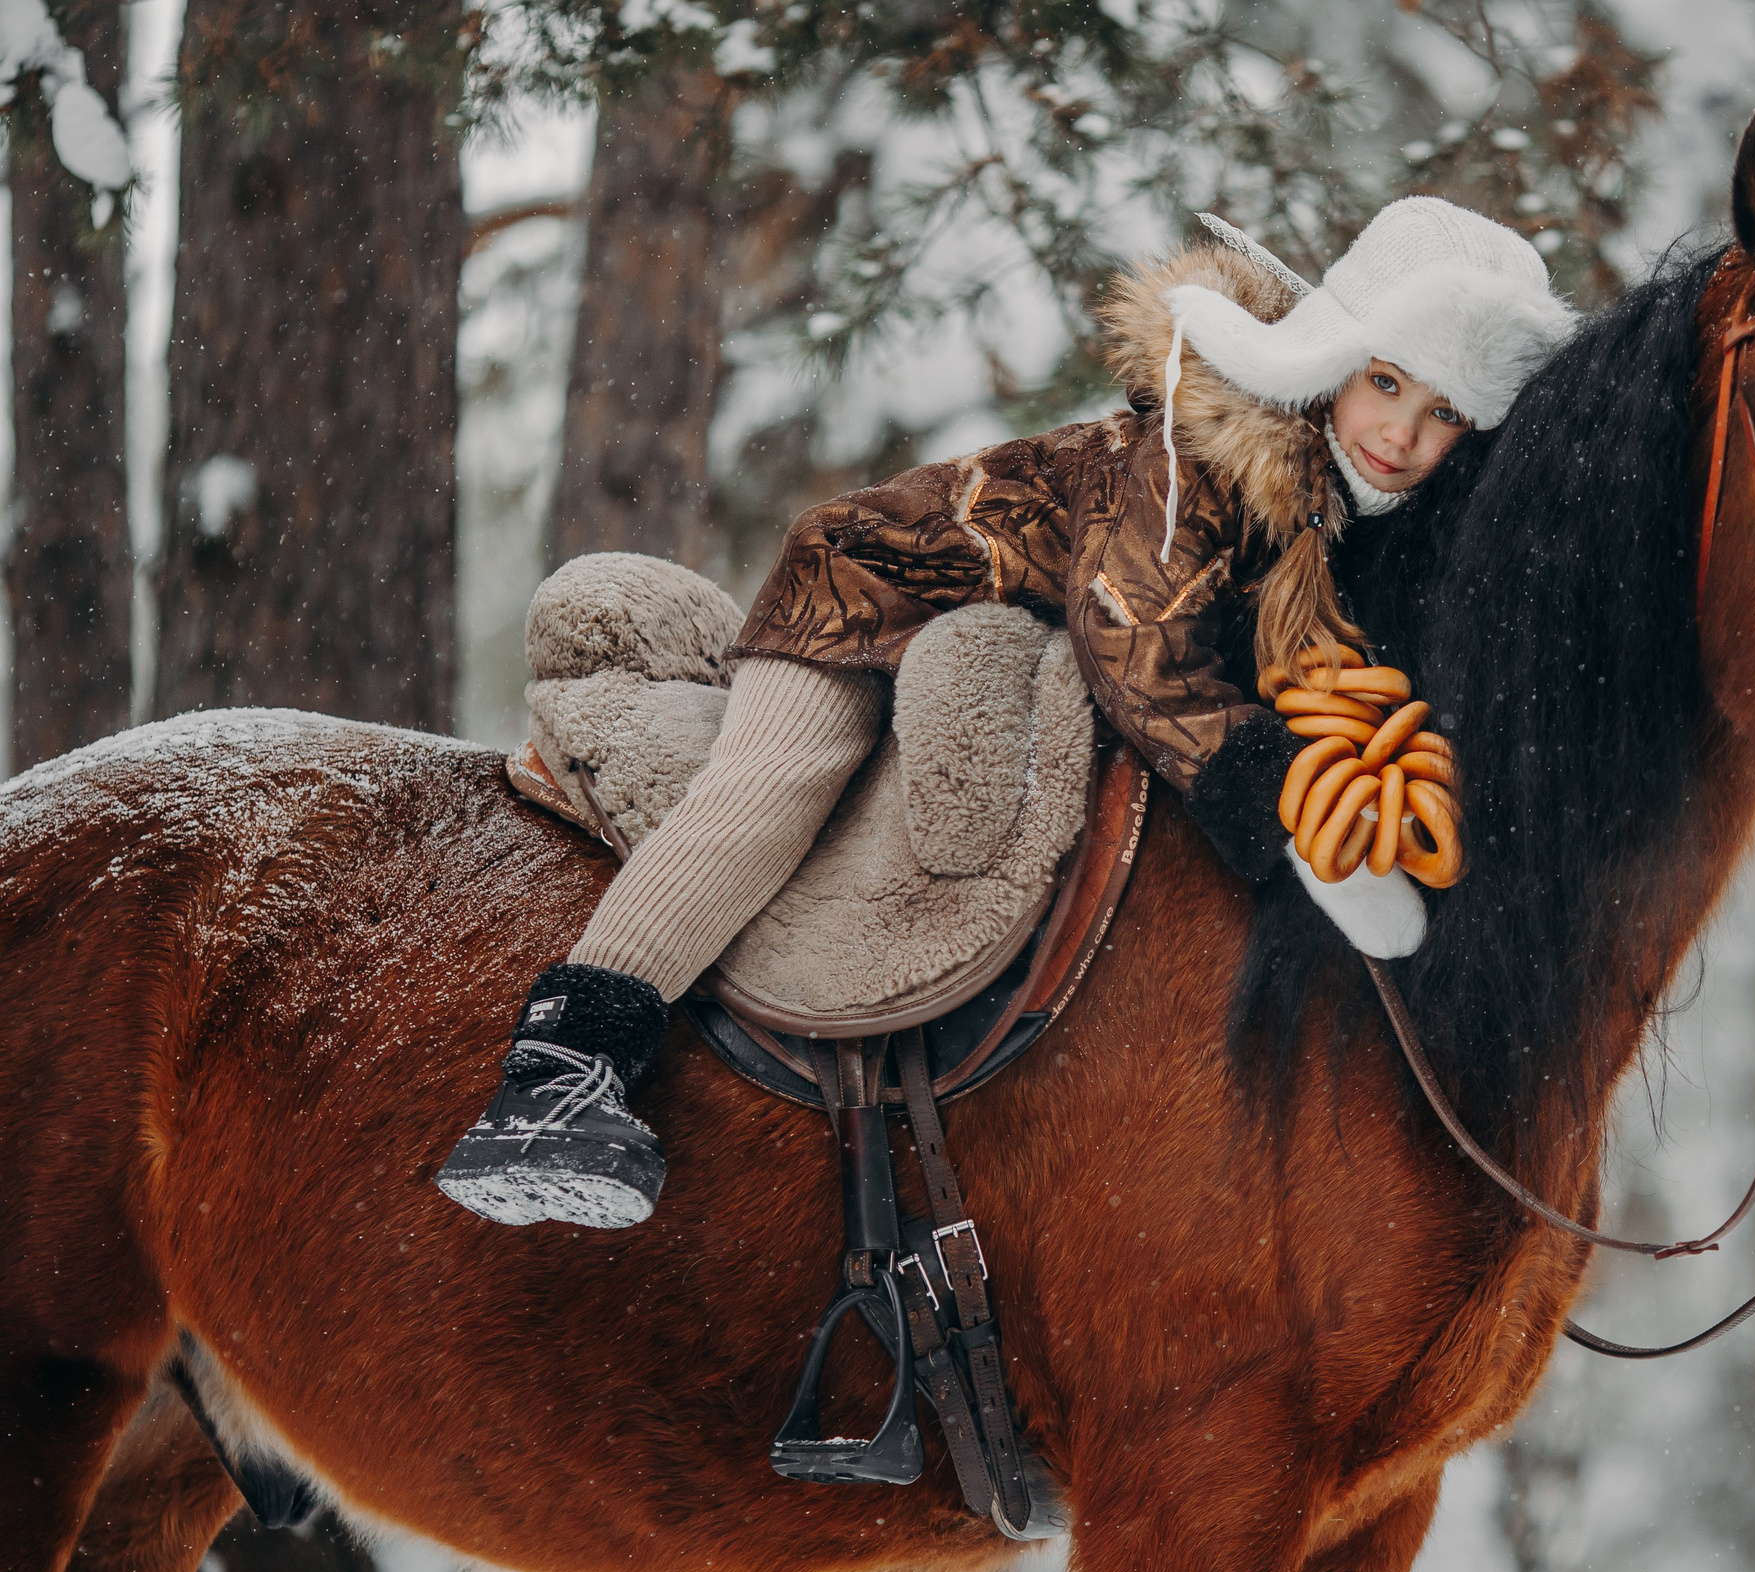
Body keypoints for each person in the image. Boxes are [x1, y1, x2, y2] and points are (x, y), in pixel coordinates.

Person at [434, 197, 1576, 1230]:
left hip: (999, 659)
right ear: (1332, 357)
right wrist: (1274, 788)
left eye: (1447, 417)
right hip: (868, 598)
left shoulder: (1342, 516)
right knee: (774, 787)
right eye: (1386, 382)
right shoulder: (1191, 456)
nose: (1405, 436)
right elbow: (1138, 644)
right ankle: (568, 1055)